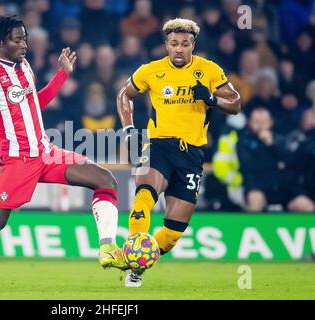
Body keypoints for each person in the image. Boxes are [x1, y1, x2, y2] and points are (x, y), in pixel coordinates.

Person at [0, 15, 127, 289]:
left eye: (25, 39)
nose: (24, 45)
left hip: (45, 152)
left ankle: (107, 246)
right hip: (13, 159)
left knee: (105, 179)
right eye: (18, 39)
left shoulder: (24, 66)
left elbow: (34, 103)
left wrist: (62, 74)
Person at [117, 18, 241, 287]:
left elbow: (236, 103)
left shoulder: (208, 70)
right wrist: (128, 129)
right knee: (143, 199)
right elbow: (124, 95)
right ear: (166, 45)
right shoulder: (151, 71)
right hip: (159, 145)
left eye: (185, 44)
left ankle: (134, 261)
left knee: (172, 235)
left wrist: (211, 99)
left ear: (193, 45)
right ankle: (134, 268)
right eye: (174, 44)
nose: (179, 49)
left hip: (192, 153)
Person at [237, 107, 315, 213]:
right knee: (255, 201)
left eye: (264, 121)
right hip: (258, 186)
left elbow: (292, 161)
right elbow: (247, 166)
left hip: (283, 186)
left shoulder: (280, 139)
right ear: (250, 123)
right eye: (257, 122)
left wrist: (271, 144)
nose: (261, 125)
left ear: (271, 122)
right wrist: (277, 164)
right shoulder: (244, 141)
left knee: (307, 206)